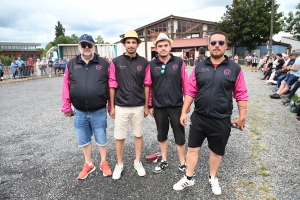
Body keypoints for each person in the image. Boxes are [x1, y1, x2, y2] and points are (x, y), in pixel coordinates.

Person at [173, 31, 248, 195]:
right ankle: (188, 178)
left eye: (221, 43)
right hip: (199, 118)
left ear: (226, 46)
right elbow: (191, 91)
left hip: (221, 119)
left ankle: (212, 177)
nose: (217, 46)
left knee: (216, 152)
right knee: (192, 149)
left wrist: (242, 116)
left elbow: (241, 93)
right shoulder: (200, 67)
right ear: (208, 46)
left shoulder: (234, 69)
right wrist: (184, 112)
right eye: (213, 43)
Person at [61, 34, 112, 179]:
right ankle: (88, 163)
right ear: (79, 47)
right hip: (80, 111)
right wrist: (66, 106)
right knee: (83, 139)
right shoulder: (71, 64)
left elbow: (110, 86)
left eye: (89, 45)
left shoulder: (104, 64)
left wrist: (111, 106)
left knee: (101, 138)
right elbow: (66, 86)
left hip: (99, 110)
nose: (87, 48)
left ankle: (103, 162)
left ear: (94, 46)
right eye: (84, 45)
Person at [108, 30, 150, 180]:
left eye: (134, 42)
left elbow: (147, 85)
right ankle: (119, 164)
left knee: (138, 134)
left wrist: (146, 105)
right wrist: (112, 107)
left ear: (138, 44)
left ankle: (137, 161)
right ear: (124, 44)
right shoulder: (116, 62)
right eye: (128, 42)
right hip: (120, 106)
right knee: (120, 137)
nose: (131, 45)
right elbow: (112, 84)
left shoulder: (144, 62)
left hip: (138, 106)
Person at [148, 33, 189, 174]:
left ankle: (182, 163)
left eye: (166, 45)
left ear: (170, 46)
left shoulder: (179, 62)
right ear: (156, 48)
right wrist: (150, 105)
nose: (163, 48)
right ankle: (164, 160)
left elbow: (186, 84)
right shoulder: (152, 65)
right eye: (160, 46)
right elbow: (149, 85)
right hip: (159, 107)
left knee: (179, 135)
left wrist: (186, 106)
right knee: (161, 134)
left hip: (176, 106)